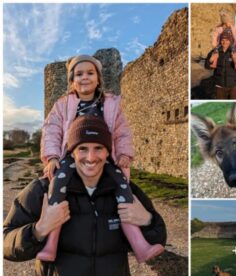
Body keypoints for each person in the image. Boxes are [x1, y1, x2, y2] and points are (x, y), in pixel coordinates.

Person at [3, 116, 167, 276]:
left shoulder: (128, 192)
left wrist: (147, 220)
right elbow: (6, 244)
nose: (91, 157)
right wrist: (39, 230)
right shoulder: (41, 190)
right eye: (82, 148)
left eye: (98, 148)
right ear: (72, 152)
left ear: (108, 153)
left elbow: (158, 239)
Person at [38, 54, 164, 262]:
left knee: (123, 187)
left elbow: (122, 132)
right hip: (72, 155)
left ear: (98, 78)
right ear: (72, 81)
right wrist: (52, 157)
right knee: (57, 185)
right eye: (79, 74)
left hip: (104, 155)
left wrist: (124, 154)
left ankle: (139, 244)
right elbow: (52, 130)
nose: (84, 77)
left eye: (90, 73)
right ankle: (51, 244)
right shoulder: (63, 104)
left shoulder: (111, 103)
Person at [205, 31, 236, 99]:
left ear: (230, 41)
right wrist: (210, 60)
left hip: (233, 86)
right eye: (222, 40)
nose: (224, 42)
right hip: (219, 86)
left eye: (227, 40)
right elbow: (206, 66)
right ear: (220, 41)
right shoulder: (214, 52)